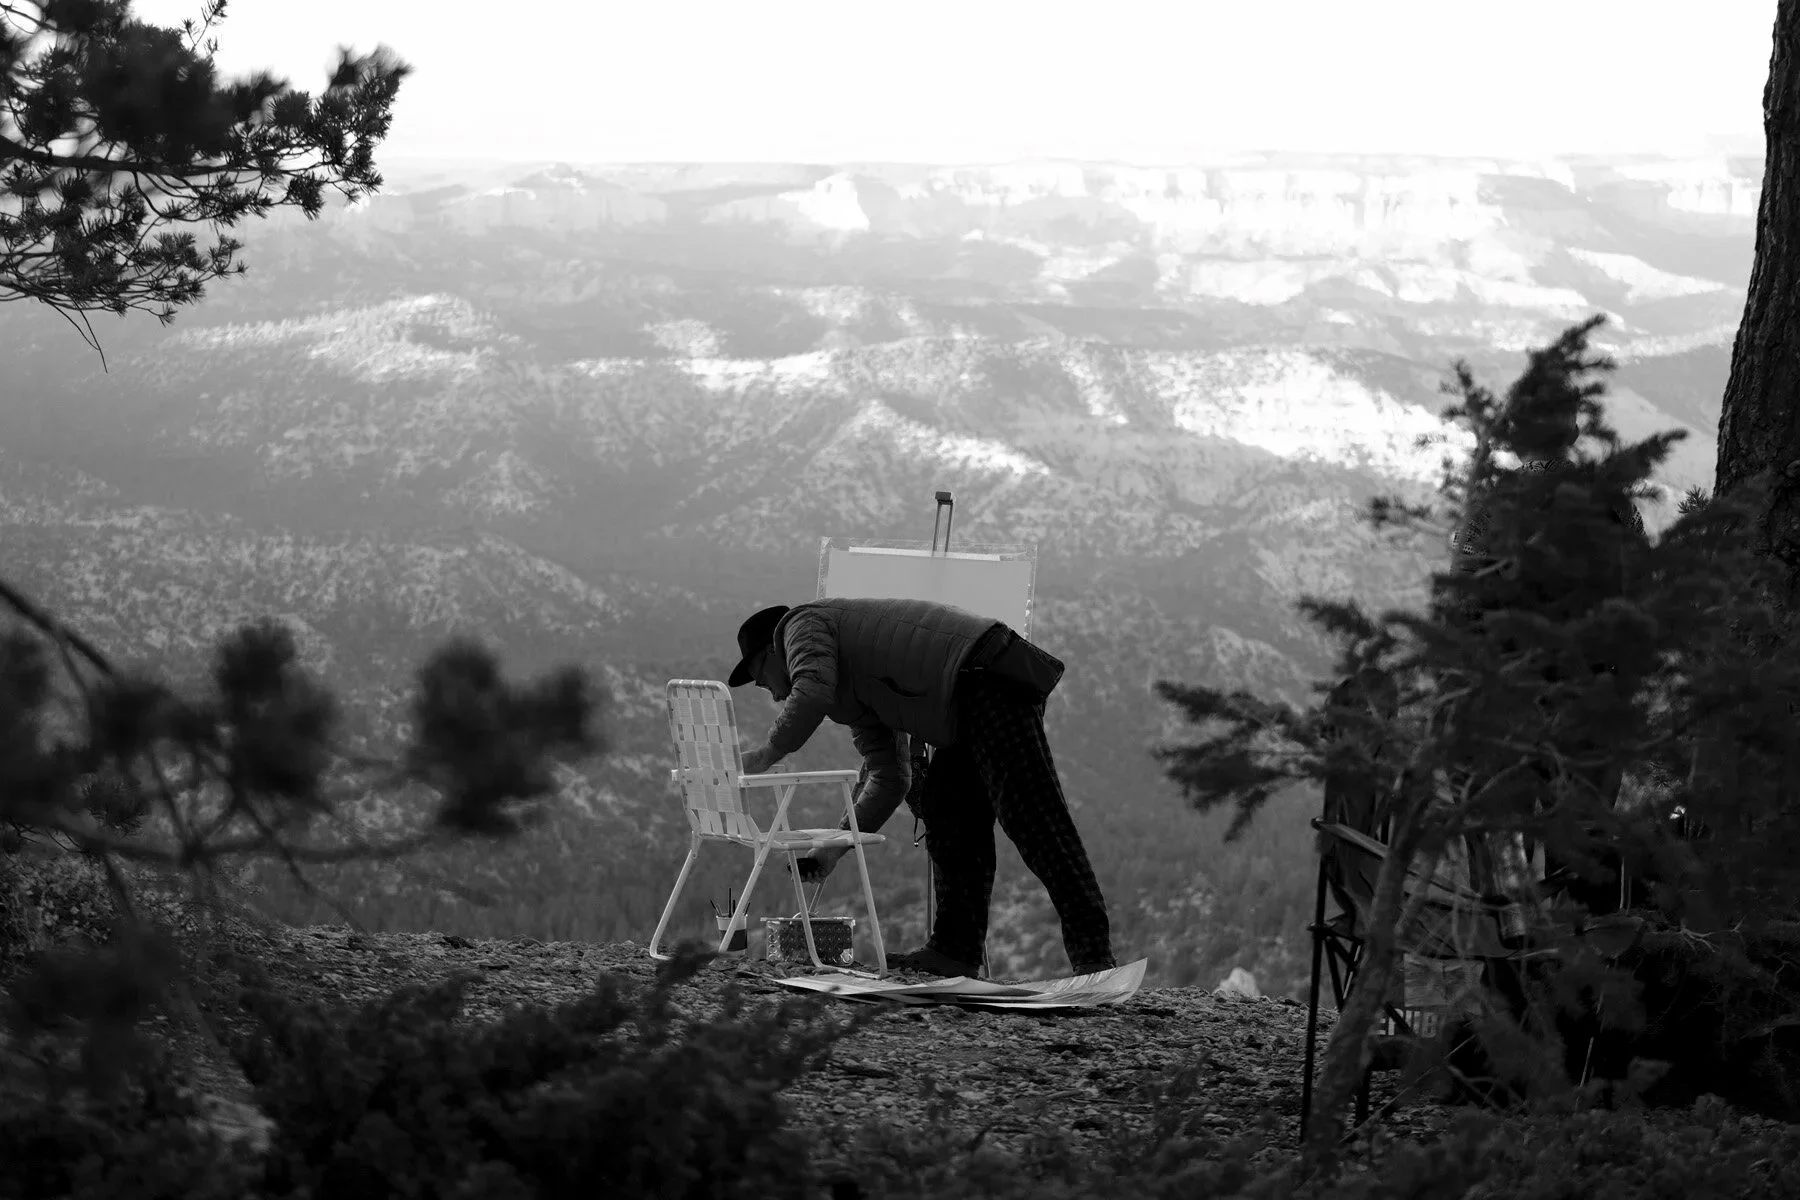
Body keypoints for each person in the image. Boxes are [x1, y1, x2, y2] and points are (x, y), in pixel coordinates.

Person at [727, 597, 1116, 978]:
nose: (770, 692)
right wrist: (834, 847)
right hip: (963, 703)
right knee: (947, 816)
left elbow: (811, 692)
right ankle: (954, 952)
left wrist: (766, 755)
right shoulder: (849, 690)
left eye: (760, 678)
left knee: (1034, 819)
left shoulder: (801, 625)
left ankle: (1094, 957)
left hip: (987, 678)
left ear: (772, 650)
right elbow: (890, 776)